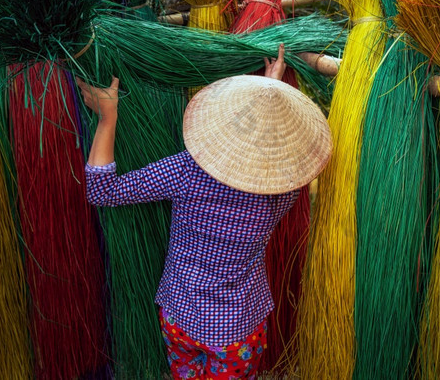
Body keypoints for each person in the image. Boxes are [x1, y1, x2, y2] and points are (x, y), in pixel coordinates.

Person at [77, 44, 332, 379]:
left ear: (221, 121)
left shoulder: (187, 170)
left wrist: (107, 117)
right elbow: (284, 165)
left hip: (180, 317)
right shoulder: (281, 191)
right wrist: (272, 91)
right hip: (238, 332)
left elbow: (102, 190)